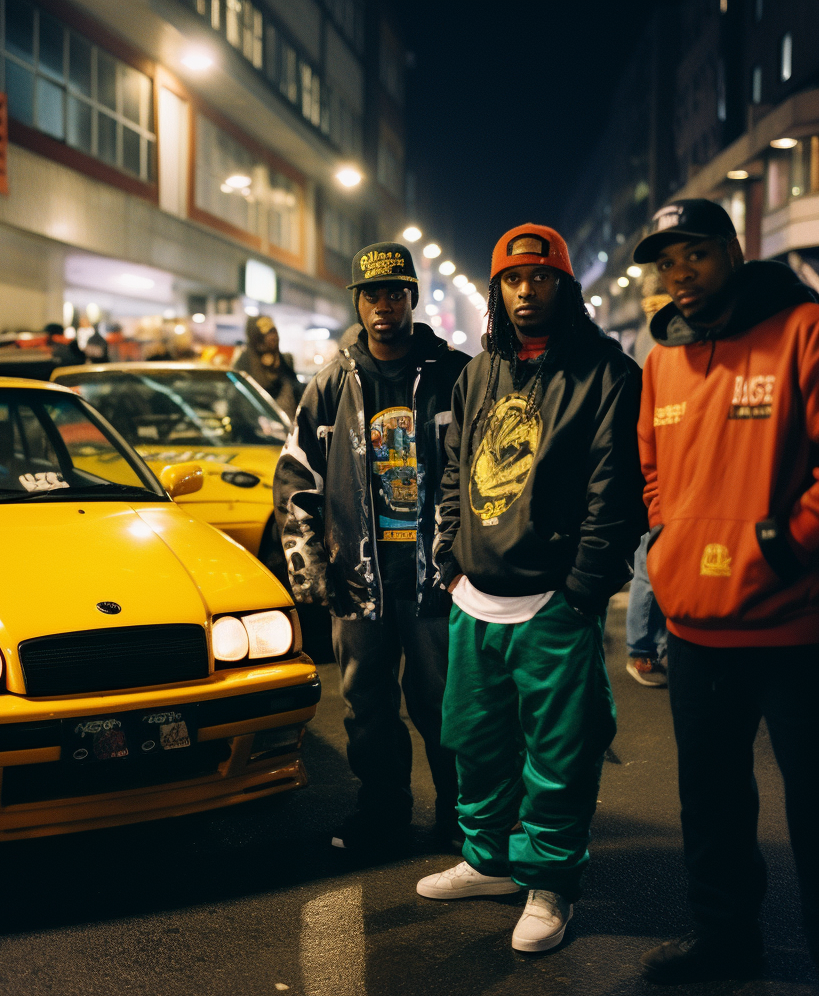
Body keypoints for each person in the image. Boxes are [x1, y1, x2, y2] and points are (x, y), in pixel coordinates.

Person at [415, 224, 645, 953]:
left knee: (559, 752)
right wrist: (450, 556)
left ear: (565, 286)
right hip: (475, 595)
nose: (525, 292)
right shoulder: (480, 370)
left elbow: (617, 489)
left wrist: (583, 587)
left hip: (552, 599)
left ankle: (549, 882)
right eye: (513, 280)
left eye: (540, 279)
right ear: (496, 289)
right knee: (476, 741)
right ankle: (489, 859)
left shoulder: (607, 371)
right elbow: (454, 468)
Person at [633, 199, 819, 982]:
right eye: (666, 261)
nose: (680, 274)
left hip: (794, 625)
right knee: (710, 804)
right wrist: (673, 540)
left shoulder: (803, 330)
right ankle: (724, 937)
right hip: (695, 626)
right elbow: (653, 471)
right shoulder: (662, 361)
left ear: (734, 252)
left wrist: (781, 545)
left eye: (696, 254)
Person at [273, 242, 470, 851]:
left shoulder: (455, 375)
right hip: (358, 578)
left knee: (446, 706)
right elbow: (296, 479)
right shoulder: (331, 385)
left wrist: (468, 561)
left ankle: (461, 820)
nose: (383, 305)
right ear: (356, 302)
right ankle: (383, 813)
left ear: (412, 297)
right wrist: (310, 576)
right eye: (371, 294)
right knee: (366, 705)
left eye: (395, 292)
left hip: (436, 578)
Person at [626, 275, 672, 688]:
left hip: (654, 466)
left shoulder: (647, 334)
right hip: (658, 467)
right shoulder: (660, 340)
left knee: (654, 558)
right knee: (649, 559)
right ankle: (641, 649)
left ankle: (652, 646)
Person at [234, 315, 303, 421]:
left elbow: (297, 394)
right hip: (260, 433)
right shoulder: (244, 365)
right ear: (256, 339)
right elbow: (240, 405)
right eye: (266, 334)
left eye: (273, 332)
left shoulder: (285, 362)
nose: (273, 337)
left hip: (290, 431)